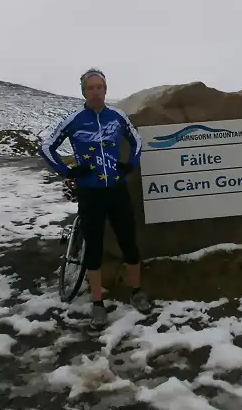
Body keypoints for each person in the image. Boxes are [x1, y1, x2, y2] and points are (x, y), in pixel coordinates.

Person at [39, 68, 151, 328]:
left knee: (129, 243)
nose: (96, 91)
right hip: (90, 192)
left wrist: (129, 165)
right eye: (91, 88)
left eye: (100, 87)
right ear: (83, 92)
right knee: (94, 249)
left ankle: (136, 291)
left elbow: (138, 142)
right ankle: (98, 303)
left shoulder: (117, 116)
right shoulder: (75, 118)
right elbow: (46, 147)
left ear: (106, 89)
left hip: (117, 190)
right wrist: (68, 171)